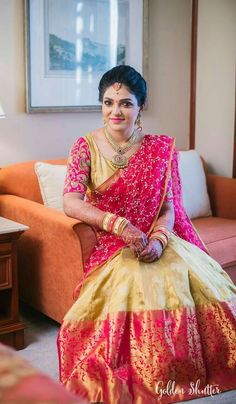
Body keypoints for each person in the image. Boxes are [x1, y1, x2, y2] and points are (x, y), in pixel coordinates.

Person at [57, 65, 236, 404]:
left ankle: (181, 371)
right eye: (108, 102)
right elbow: (70, 202)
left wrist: (157, 240)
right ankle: (147, 372)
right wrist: (120, 226)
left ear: (141, 107)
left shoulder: (160, 148)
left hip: (158, 237)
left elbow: (168, 208)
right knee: (132, 279)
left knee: (183, 274)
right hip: (113, 243)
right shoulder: (85, 147)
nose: (115, 111)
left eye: (125, 103)